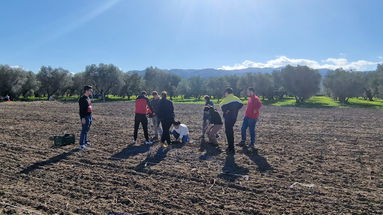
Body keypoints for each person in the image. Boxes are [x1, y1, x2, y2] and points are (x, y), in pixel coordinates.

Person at [220, 87, 243, 154]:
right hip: (234, 118)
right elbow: (241, 104)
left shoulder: (226, 99)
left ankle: (231, 148)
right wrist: (235, 110)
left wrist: (228, 110)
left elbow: (221, 106)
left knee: (228, 132)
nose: (224, 94)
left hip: (228, 118)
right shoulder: (236, 98)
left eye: (225, 93)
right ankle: (230, 147)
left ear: (227, 92)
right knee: (230, 131)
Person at [78, 86, 93, 150]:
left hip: (89, 116)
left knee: (87, 130)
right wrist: (82, 118)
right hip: (85, 117)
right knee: (84, 130)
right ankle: (81, 144)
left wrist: (91, 115)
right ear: (86, 91)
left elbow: (89, 107)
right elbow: (81, 110)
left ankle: (86, 142)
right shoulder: (82, 99)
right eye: (90, 90)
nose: (91, 91)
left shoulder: (88, 98)